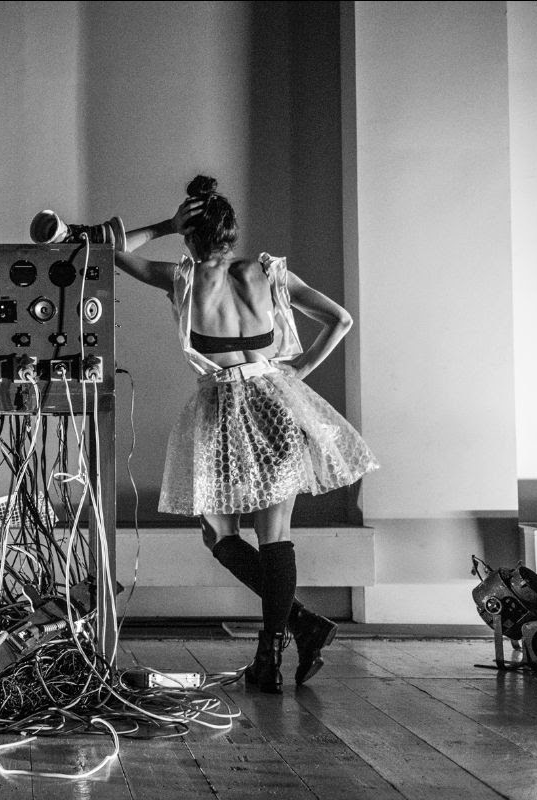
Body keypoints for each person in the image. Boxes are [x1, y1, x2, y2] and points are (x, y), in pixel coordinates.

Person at [111, 175, 378, 693]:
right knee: (275, 536)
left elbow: (106, 250)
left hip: (221, 413)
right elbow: (340, 320)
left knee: (220, 535)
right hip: (276, 404)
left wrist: (165, 225)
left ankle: (293, 635)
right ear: (231, 233)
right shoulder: (269, 273)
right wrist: (298, 370)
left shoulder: (181, 279)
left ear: (191, 234)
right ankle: (279, 648)